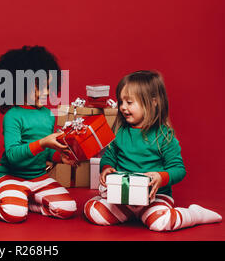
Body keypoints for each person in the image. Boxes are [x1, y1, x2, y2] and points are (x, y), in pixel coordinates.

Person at [84, 70, 222, 231]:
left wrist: (160, 177)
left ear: (153, 102)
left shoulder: (164, 135)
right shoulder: (120, 131)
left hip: (154, 197)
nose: (122, 107)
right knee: (94, 212)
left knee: (161, 223)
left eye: (129, 102)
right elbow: (109, 156)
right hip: (123, 198)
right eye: (121, 102)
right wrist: (106, 168)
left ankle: (195, 214)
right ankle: (130, 214)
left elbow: (178, 169)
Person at [0, 45, 77, 223]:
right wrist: (44, 142)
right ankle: (3, 200)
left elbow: (44, 152)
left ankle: (27, 203)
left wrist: (60, 157)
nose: (47, 92)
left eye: (49, 86)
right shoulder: (13, 116)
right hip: (11, 176)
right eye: (40, 87)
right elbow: (13, 155)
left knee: (68, 208)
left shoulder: (47, 115)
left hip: (39, 178)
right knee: (13, 214)